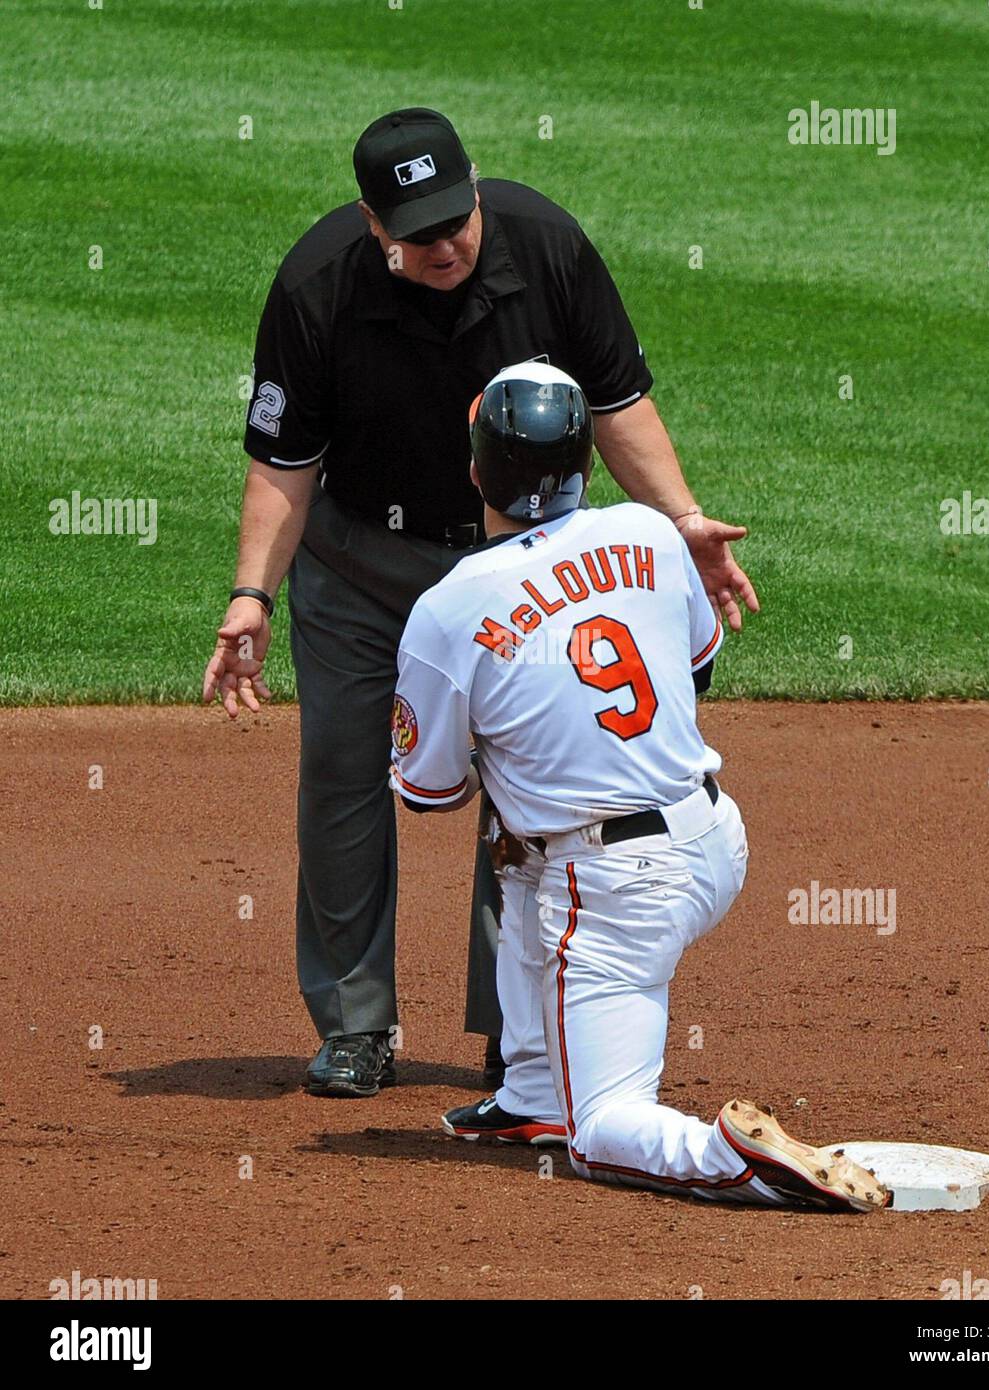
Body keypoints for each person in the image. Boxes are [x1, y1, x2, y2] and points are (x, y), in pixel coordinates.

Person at [203, 106, 759, 1101]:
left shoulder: (543, 246)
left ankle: (517, 1028)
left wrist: (680, 519)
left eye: (456, 217)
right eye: (418, 232)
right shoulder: (315, 286)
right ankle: (354, 1023)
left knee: (528, 789)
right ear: (375, 229)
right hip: (360, 565)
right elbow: (284, 464)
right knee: (340, 776)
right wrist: (252, 594)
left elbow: (618, 401)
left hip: (513, 568)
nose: (447, 242)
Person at [390, 361, 889, 1213]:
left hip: (619, 894)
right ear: (587, 466)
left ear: (474, 471)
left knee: (605, 1128)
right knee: (522, 847)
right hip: (714, 839)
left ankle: (730, 1155)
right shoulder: (654, 534)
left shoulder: (447, 607)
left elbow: (429, 791)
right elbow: (694, 665)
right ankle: (532, 1095)